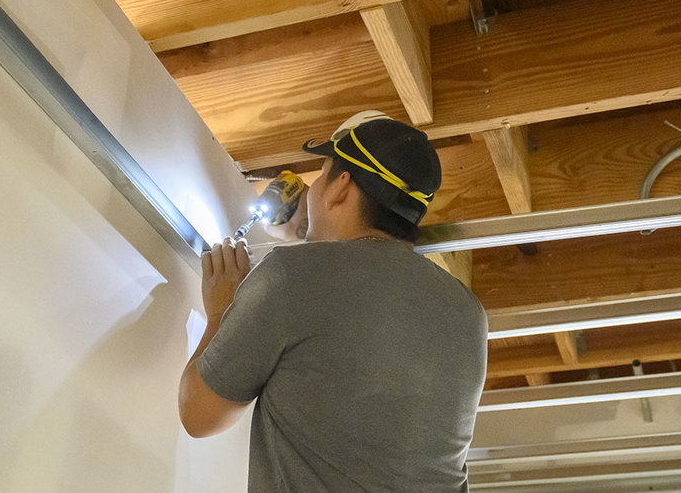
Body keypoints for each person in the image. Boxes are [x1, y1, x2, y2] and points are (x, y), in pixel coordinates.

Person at [179, 111, 488, 492]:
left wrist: (221, 312)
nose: (311, 191)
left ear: (341, 185)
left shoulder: (292, 276)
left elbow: (199, 415)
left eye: (321, 175)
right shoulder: (467, 314)